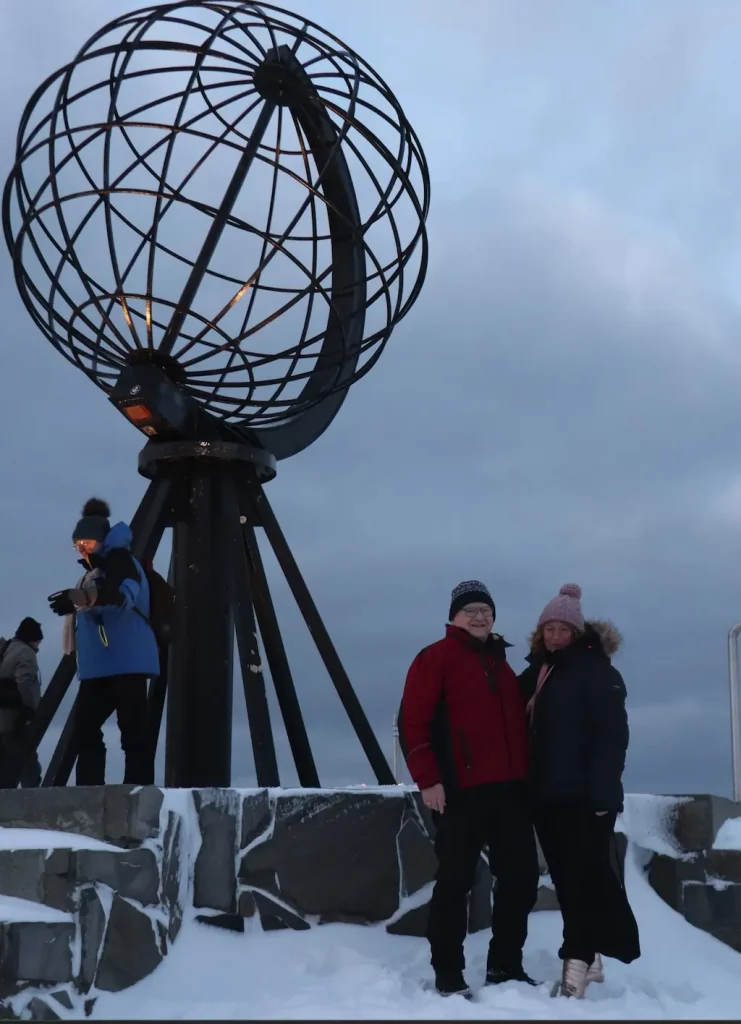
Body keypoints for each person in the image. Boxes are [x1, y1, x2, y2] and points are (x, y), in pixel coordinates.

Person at [399, 580, 539, 998]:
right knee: (455, 882)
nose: (480, 617)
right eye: (471, 610)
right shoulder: (435, 657)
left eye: (486, 610)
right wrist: (428, 780)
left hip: (509, 792)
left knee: (521, 878)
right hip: (460, 792)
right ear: (454, 617)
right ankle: (448, 972)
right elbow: (413, 722)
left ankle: (505, 964)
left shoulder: (501, 664)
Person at [519, 583, 640, 999]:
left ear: (577, 631)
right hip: (545, 797)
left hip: (584, 800)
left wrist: (605, 797)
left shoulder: (598, 673)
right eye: (548, 628)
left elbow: (612, 739)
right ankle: (589, 957)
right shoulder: (539, 671)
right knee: (570, 883)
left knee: (582, 881)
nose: (555, 636)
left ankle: (576, 966)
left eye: (562, 629)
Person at [47, 498, 159, 786]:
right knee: (86, 730)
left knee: (129, 732)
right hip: (101, 666)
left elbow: (120, 596)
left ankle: (136, 792)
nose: (82, 549)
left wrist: (79, 599)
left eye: (87, 542)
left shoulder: (121, 562)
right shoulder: (92, 572)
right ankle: (91, 790)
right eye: (78, 544)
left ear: (101, 540)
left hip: (127, 661)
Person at [0, 617, 44, 788]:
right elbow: (25, 682)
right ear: (33, 639)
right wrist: (28, 708)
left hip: (2, 721)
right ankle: (33, 810)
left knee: (5, 771)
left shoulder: (7, 649)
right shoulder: (25, 653)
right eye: (38, 642)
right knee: (29, 769)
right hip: (14, 720)